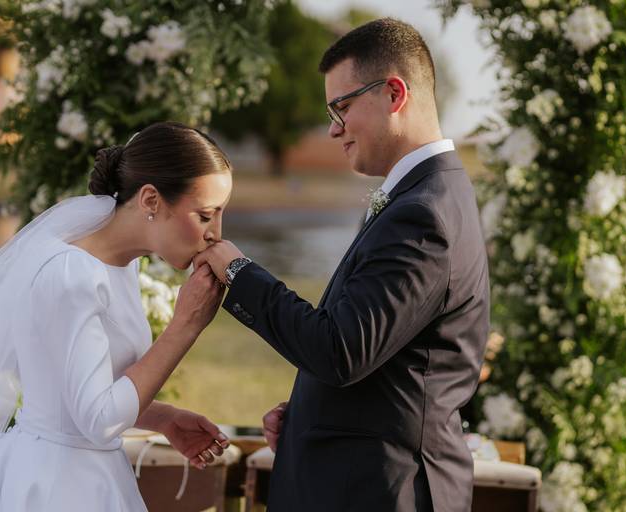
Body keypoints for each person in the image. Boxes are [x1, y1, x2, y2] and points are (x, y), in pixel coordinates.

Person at [195, 18, 490, 511]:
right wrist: (311, 409)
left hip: (381, 493)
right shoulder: (427, 195)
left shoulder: (423, 214)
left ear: (394, 94)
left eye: (343, 107)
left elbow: (340, 351)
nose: (334, 128)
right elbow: (385, 353)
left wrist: (239, 273)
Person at [0, 122, 232, 512]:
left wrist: (163, 418)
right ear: (151, 199)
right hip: (52, 486)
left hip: (93, 475)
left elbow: (78, 392)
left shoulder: (122, 265)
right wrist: (185, 325)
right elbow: (97, 420)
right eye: (206, 215)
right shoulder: (72, 274)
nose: (216, 234)